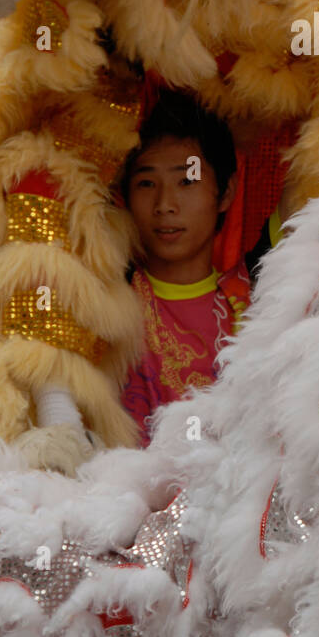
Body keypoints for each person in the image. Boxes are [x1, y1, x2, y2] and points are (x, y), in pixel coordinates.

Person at [121, 90, 256, 443]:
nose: (165, 204)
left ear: (225, 192)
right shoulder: (106, 305)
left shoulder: (256, 311)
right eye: (147, 183)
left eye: (186, 181)